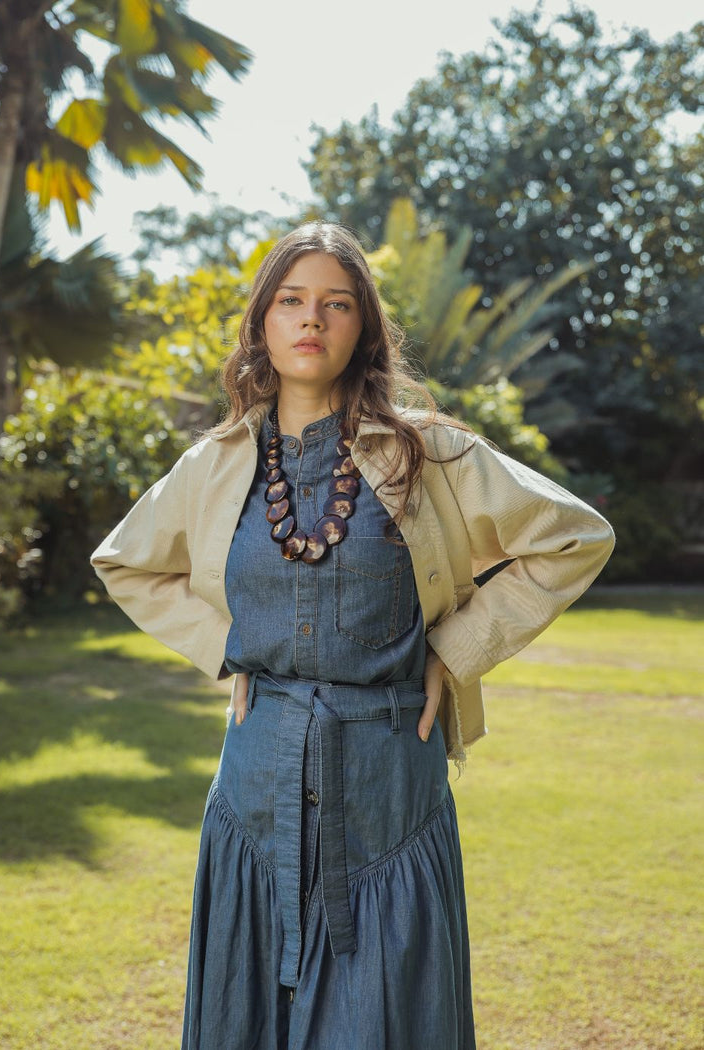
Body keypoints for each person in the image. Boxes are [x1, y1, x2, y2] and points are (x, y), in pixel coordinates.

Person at [90, 223, 615, 1050]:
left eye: (336, 304)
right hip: (254, 791)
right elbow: (125, 562)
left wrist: (455, 648)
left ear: (363, 326)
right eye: (291, 301)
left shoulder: (428, 453)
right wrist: (225, 645)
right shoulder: (216, 464)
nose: (312, 318)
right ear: (262, 322)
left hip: (388, 795)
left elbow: (575, 538)